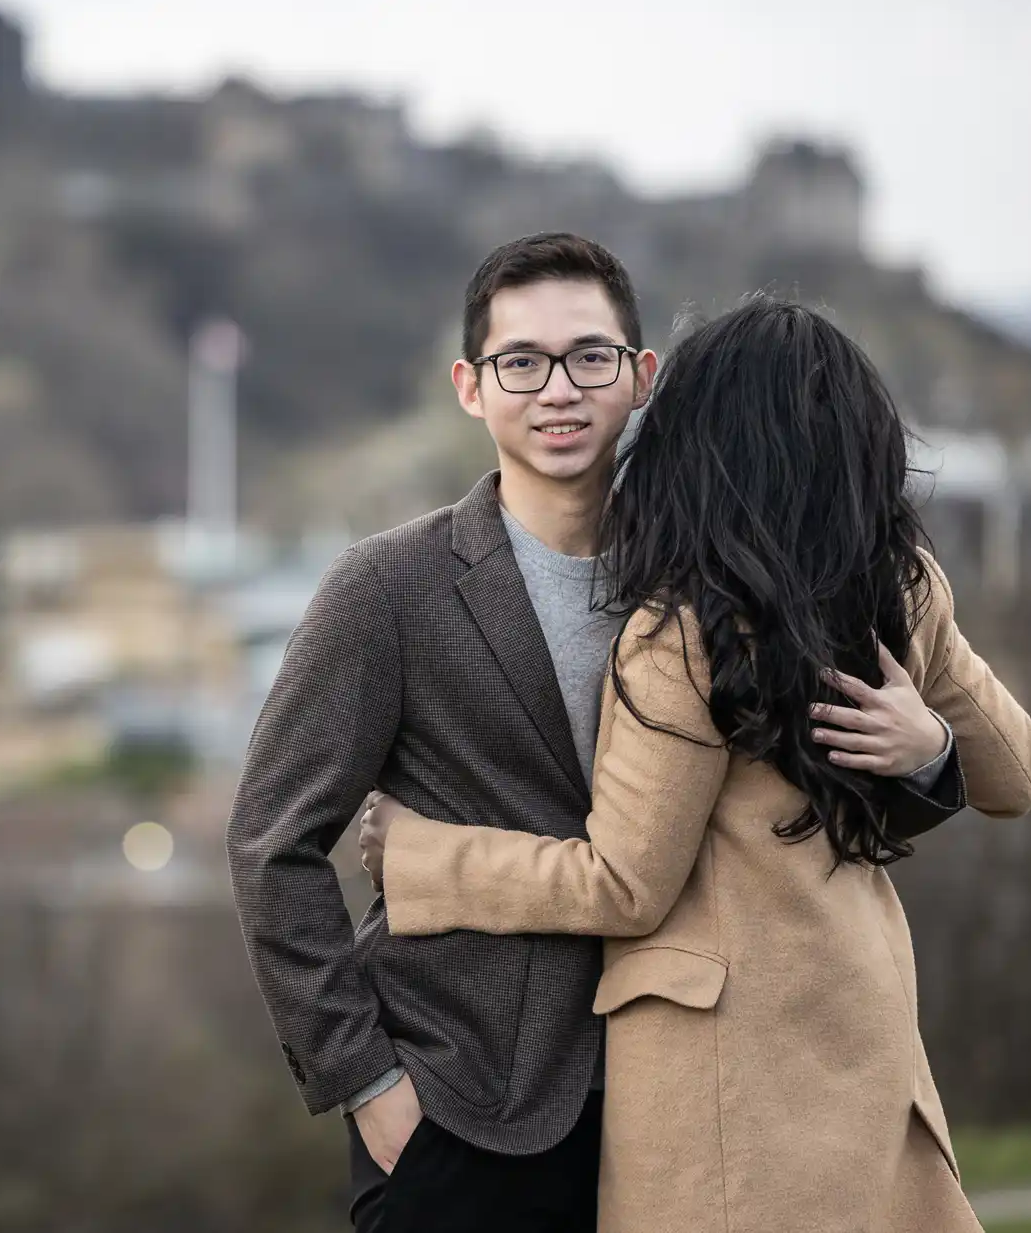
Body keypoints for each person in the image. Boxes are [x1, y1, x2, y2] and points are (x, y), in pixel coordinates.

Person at [226, 235, 969, 1233]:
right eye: (519, 362)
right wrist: (365, 1084)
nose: (556, 389)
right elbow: (271, 843)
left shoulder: (718, 574)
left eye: (587, 356)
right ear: (469, 387)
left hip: (683, 1110)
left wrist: (929, 760)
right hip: (467, 1108)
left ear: (638, 376)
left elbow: (815, 776)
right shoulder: (385, 592)